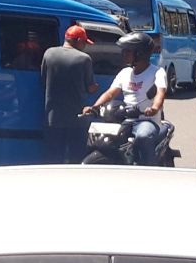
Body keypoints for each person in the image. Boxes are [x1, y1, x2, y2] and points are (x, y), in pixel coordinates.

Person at [82, 31, 169, 167]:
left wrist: (154, 108)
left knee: (143, 136)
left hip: (147, 120)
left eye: (127, 51)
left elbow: (160, 93)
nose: (123, 54)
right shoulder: (125, 73)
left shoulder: (157, 72)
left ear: (140, 53)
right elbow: (110, 93)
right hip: (126, 119)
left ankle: (150, 171)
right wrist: (94, 107)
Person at [39, 25, 98, 164]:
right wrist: (95, 87)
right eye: (84, 42)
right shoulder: (84, 59)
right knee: (75, 158)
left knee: (53, 158)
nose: (84, 46)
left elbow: (43, 80)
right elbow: (90, 87)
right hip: (77, 118)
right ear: (78, 40)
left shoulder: (49, 53)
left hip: (53, 117)